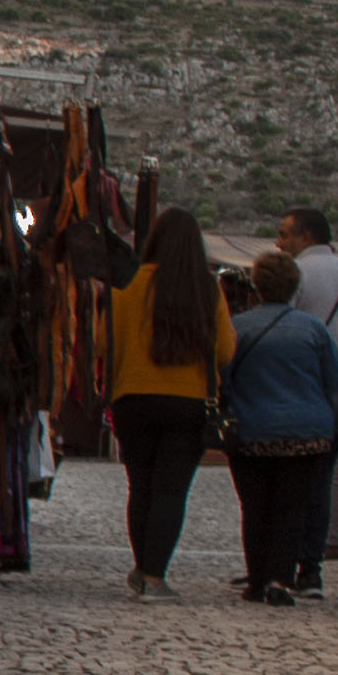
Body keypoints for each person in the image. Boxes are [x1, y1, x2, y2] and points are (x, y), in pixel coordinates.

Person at [105, 206, 233, 600]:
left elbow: (104, 341)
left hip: (132, 398)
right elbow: (225, 350)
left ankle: (141, 566)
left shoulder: (127, 283)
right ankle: (154, 574)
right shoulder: (206, 287)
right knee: (171, 491)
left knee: (140, 486)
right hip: (188, 402)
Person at [224, 250, 338, 605]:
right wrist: (331, 425)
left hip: (252, 430)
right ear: (295, 286)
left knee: (255, 507)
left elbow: (223, 378)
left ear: (256, 285)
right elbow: (336, 385)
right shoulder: (314, 329)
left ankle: (257, 579)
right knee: (292, 509)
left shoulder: (238, 327)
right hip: (305, 433)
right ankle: (281, 579)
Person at [274, 209, 338, 587]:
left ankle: (279, 559)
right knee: (328, 473)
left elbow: (279, 325)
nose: (279, 243)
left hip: (291, 389)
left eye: (285, 235)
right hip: (335, 393)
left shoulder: (295, 274)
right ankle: (320, 553)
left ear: (306, 237)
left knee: (286, 477)